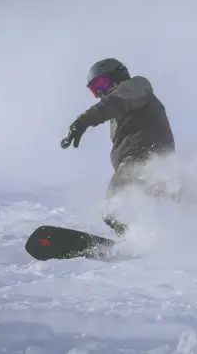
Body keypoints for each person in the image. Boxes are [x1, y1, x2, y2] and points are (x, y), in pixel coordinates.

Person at [61, 58, 175, 237]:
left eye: (102, 84)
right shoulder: (119, 116)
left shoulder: (136, 86)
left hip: (141, 156)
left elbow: (114, 102)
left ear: (117, 75)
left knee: (114, 207)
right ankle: (157, 239)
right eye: (94, 90)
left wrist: (82, 121)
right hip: (152, 163)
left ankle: (134, 241)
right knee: (157, 204)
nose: (100, 93)